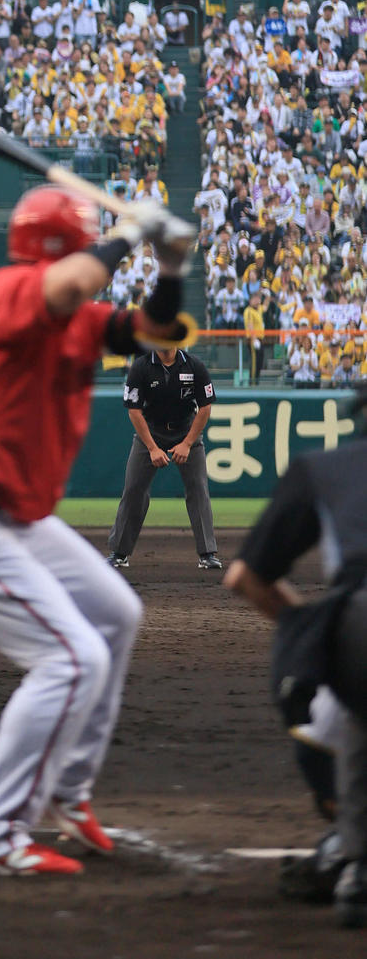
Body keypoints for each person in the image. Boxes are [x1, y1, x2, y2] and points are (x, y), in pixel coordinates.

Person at [0, 185, 192, 876]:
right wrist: (131, 232)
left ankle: (66, 788)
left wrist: (170, 265)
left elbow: (157, 329)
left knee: (116, 613)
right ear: (70, 244)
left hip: (11, 516)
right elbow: (71, 282)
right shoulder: (11, 289)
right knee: (71, 657)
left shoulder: (79, 316)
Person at [224, 389, 367, 927]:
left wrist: (312, 630)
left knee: (356, 714)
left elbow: (244, 577)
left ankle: (355, 866)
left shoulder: (324, 468)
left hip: (358, 625)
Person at [106, 341, 221, 570]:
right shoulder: (140, 367)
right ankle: (119, 552)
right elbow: (134, 410)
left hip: (186, 430)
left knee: (198, 488)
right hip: (151, 431)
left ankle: (208, 554)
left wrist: (187, 443)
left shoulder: (194, 366)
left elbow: (205, 407)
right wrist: (151, 448)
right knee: (134, 489)